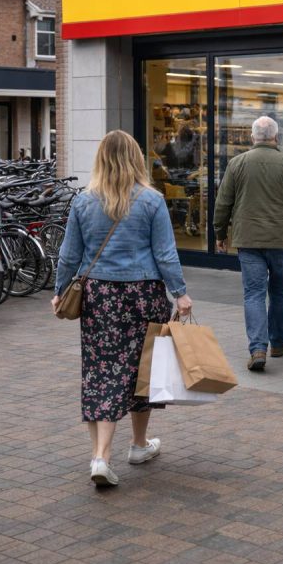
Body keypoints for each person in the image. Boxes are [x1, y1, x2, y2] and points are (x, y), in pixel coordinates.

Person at [52, 130, 192, 488]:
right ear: (136, 159)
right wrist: (180, 294)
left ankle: (101, 455)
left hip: (99, 296)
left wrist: (58, 291)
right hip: (143, 294)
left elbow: (69, 254)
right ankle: (138, 445)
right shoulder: (151, 200)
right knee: (141, 371)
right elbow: (165, 254)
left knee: (100, 372)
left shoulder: (83, 202)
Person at [214, 116, 283, 372]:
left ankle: (257, 348)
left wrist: (220, 232)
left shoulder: (237, 164)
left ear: (253, 137)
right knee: (280, 291)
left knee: (253, 293)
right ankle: (278, 342)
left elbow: (223, 202)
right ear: (276, 137)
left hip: (248, 239)